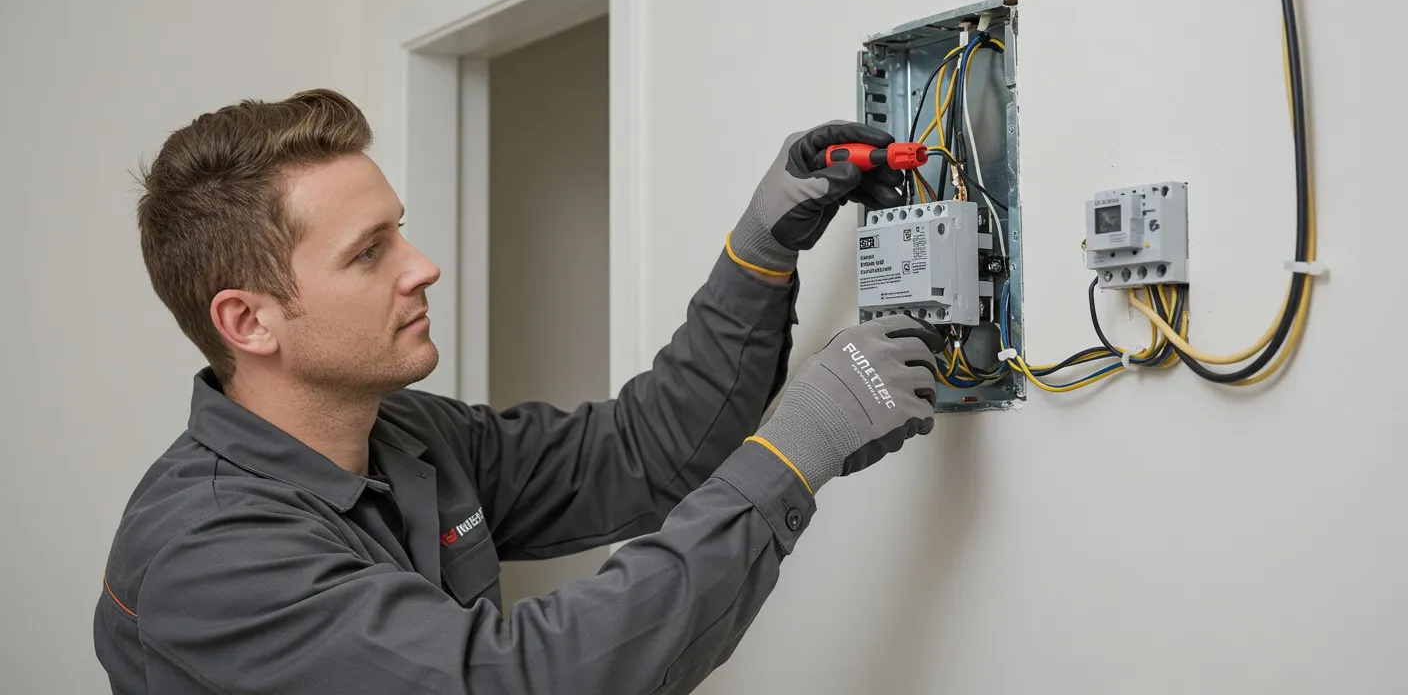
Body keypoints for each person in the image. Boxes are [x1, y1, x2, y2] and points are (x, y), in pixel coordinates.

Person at [93, 88, 944, 694]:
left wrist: (758, 252)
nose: (422, 266)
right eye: (368, 252)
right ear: (248, 322)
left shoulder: (404, 436)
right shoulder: (208, 555)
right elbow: (519, 680)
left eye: (402, 231)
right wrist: (796, 450)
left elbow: (643, 452)